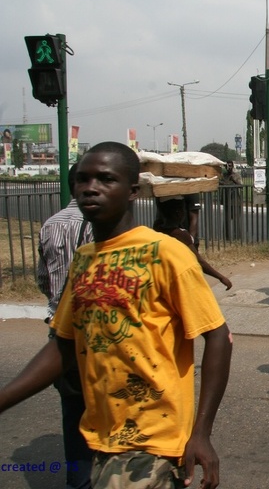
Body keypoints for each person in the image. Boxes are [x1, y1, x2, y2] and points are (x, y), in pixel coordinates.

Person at [0, 141, 233, 488]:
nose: (90, 188)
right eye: (83, 179)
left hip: (151, 443)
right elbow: (64, 345)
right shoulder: (84, 260)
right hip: (101, 438)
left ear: (132, 192)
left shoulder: (165, 253)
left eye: (106, 179)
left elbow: (218, 337)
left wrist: (201, 433)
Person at [36, 163, 94, 489]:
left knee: (72, 413)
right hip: (89, 330)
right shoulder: (94, 224)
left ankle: (77, 480)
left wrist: (57, 302)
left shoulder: (50, 224)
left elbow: (43, 278)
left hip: (57, 326)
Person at [153, 196, 233, 290]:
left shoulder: (157, 229)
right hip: (177, 283)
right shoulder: (180, 235)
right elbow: (199, 261)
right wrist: (221, 277)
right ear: (179, 213)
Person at [220, 160, 243, 240]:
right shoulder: (224, 176)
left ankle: (237, 237)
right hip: (227, 201)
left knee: (236, 221)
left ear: (233, 166)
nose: (229, 168)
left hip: (235, 201)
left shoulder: (236, 175)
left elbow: (241, 185)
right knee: (226, 221)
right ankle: (227, 238)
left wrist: (234, 180)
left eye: (230, 166)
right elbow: (220, 183)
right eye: (227, 166)